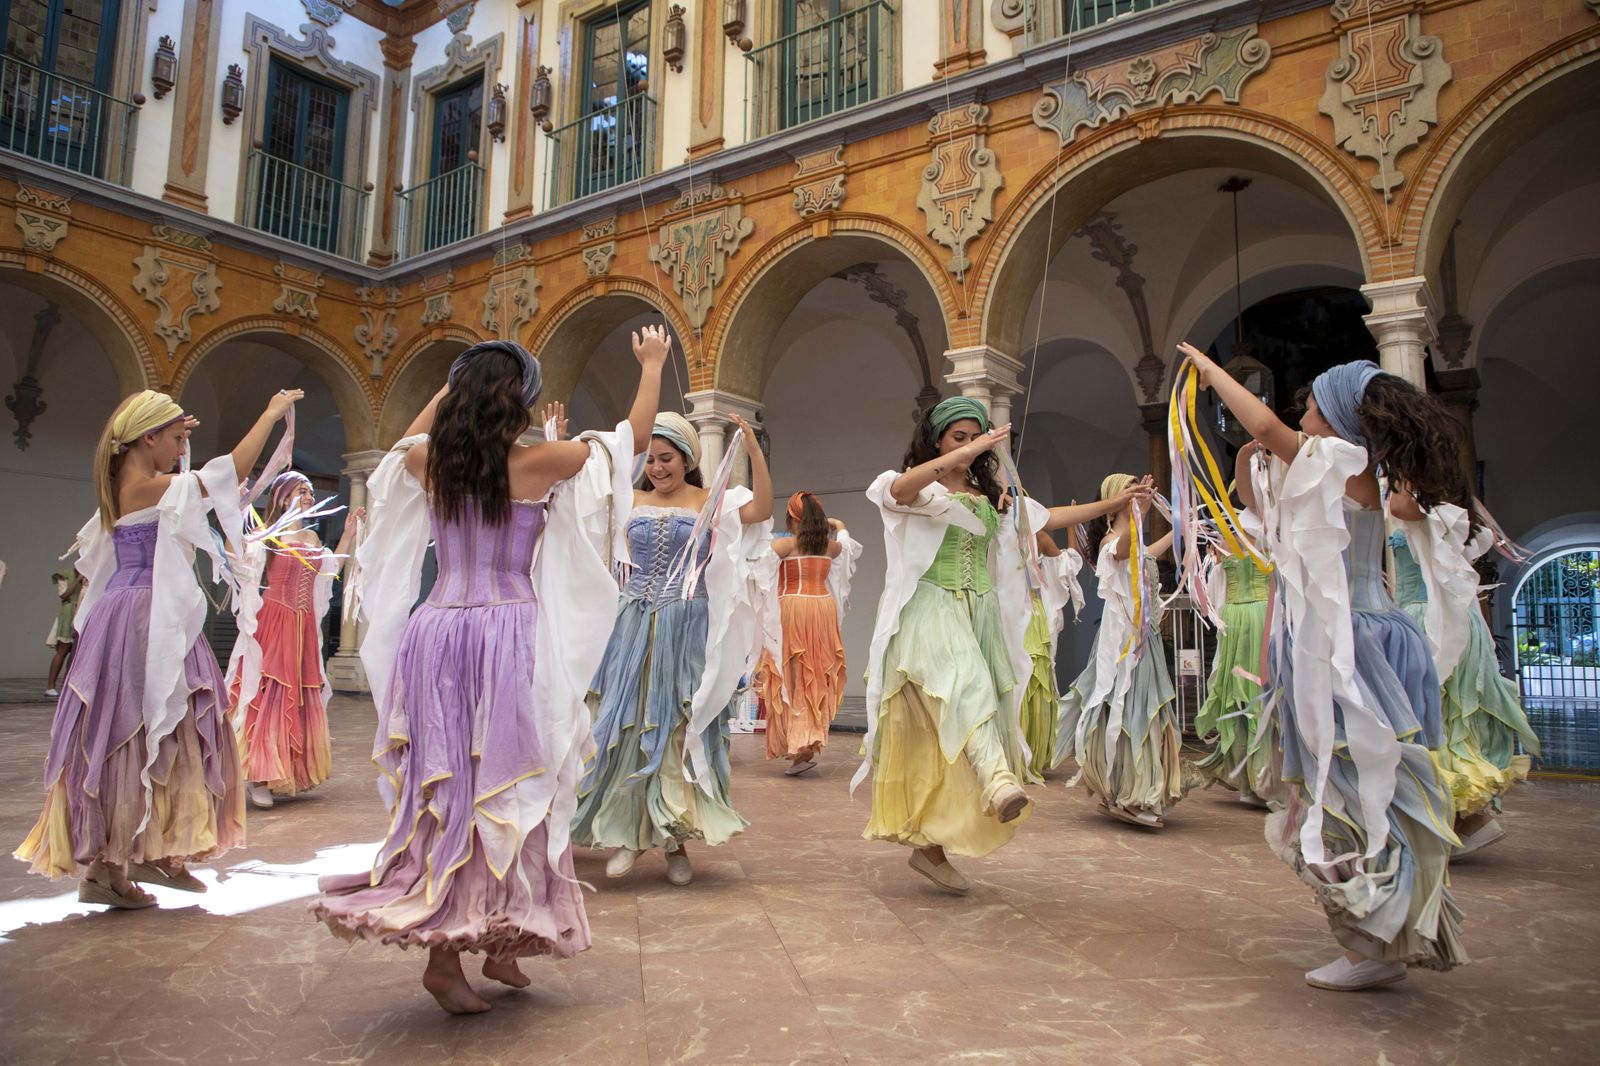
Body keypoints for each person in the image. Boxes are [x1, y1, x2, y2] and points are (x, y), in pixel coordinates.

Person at [313, 332, 667, 1014]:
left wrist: (448, 390)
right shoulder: (544, 461)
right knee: (509, 786)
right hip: (506, 632)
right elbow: (633, 440)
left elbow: (393, 453)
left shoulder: (429, 462)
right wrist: (650, 366)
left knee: (458, 791)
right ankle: (447, 961)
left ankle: (505, 944)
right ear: (522, 403)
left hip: (438, 629)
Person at [1181, 343, 1466, 991]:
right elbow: (1258, 504)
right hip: (1347, 638)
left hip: (1351, 645)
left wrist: (1209, 370)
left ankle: (1376, 939)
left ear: (1335, 417)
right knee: (1352, 787)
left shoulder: (1343, 462)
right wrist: (1253, 461)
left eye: (1309, 402)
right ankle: (1380, 930)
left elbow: (1260, 425)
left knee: (1354, 788)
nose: (1300, 411)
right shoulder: (1346, 471)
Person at [15, 388, 298, 906]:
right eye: (174, 439)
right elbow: (228, 474)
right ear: (147, 438)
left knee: (152, 729)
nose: (179, 448)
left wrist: (173, 430)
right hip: (146, 618)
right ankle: (112, 868)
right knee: (149, 727)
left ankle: (143, 852)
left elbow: (189, 479)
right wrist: (270, 414)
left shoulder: (129, 480)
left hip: (124, 611)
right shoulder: (149, 487)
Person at [860, 397, 1146, 894]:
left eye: (976, 437)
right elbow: (898, 490)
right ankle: (997, 782)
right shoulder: (910, 484)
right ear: (937, 440)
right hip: (930, 605)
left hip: (981, 613)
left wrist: (1118, 505)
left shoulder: (991, 494)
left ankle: (929, 847)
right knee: (964, 683)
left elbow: (1050, 517)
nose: (970, 447)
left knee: (965, 723)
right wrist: (955, 460)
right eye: (959, 437)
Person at [573, 409, 774, 887]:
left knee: (678, 730)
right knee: (627, 725)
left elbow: (763, 510)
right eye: (652, 459)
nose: (658, 468)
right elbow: (574, 506)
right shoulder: (629, 499)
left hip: (687, 625)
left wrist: (752, 449)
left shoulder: (711, 500)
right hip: (631, 622)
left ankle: (674, 841)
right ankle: (627, 833)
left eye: (667, 459)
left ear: (687, 459)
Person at [1387, 487, 1540, 853]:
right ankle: (1458, 819)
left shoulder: (1415, 501)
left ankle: (1461, 820)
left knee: (1431, 721)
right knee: (1448, 721)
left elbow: (1399, 506)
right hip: (1450, 617)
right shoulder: (1451, 503)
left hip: (1431, 620)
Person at [228, 472, 362, 808]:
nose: (308, 497)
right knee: (269, 694)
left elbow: (329, 571)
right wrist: (235, 509)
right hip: (273, 622)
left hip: (302, 627)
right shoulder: (267, 536)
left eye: (310, 492)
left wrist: (347, 536)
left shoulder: (311, 539)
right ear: (284, 496)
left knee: (297, 697)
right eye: (302, 491)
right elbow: (239, 563)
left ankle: (281, 771)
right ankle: (258, 775)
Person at [1057, 474, 1184, 828]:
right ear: (1116, 498)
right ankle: (1128, 792)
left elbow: (1148, 552)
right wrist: (1137, 512)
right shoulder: (1112, 541)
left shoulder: (1133, 540)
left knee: (1146, 711)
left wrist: (1179, 527)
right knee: (1129, 711)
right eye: (1129, 490)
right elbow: (1128, 549)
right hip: (1124, 646)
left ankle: (1130, 788)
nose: (1137, 495)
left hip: (1146, 641)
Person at [756, 492, 861, 775]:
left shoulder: (785, 545)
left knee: (791, 675)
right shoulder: (830, 548)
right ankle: (807, 738)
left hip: (792, 608)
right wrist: (838, 525)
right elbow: (847, 545)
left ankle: (798, 740)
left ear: (792, 518)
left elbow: (756, 571)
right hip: (822, 609)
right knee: (816, 676)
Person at [1194, 444, 1273, 807]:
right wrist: (1245, 451)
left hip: (1265, 615)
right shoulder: (1238, 525)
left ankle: (1267, 774)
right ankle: (1248, 776)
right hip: (1238, 619)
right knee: (1237, 691)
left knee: (1261, 694)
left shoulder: (1277, 526)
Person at [44, 564, 84, 697]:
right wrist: (78, 580)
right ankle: (50, 686)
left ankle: (68, 685)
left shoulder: (91, 574)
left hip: (84, 611)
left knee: (77, 652)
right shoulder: (65, 574)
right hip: (68, 613)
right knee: (63, 650)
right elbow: (64, 595)